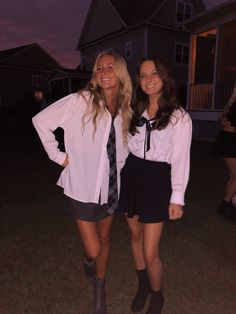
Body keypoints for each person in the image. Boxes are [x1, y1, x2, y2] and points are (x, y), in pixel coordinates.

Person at [32, 51, 132, 314]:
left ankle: (99, 288)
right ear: (95, 75)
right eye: (99, 68)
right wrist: (59, 156)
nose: (104, 71)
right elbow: (41, 121)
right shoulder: (81, 101)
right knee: (94, 248)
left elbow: (124, 150)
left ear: (121, 73)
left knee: (106, 239)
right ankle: (89, 262)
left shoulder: (125, 110)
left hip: (110, 189)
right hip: (81, 188)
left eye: (110, 67)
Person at [118, 55, 192, 314]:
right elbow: (123, 147)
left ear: (164, 77)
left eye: (153, 74)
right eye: (143, 75)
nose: (148, 80)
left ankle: (157, 295)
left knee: (151, 250)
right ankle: (143, 284)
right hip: (132, 174)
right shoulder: (132, 109)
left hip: (158, 180)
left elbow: (181, 159)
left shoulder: (179, 117)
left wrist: (177, 197)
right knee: (135, 235)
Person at [212, 84, 236, 221]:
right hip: (229, 142)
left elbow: (223, 120)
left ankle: (227, 204)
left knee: (233, 176)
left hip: (226, 140)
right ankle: (225, 206)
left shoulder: (231, 102)